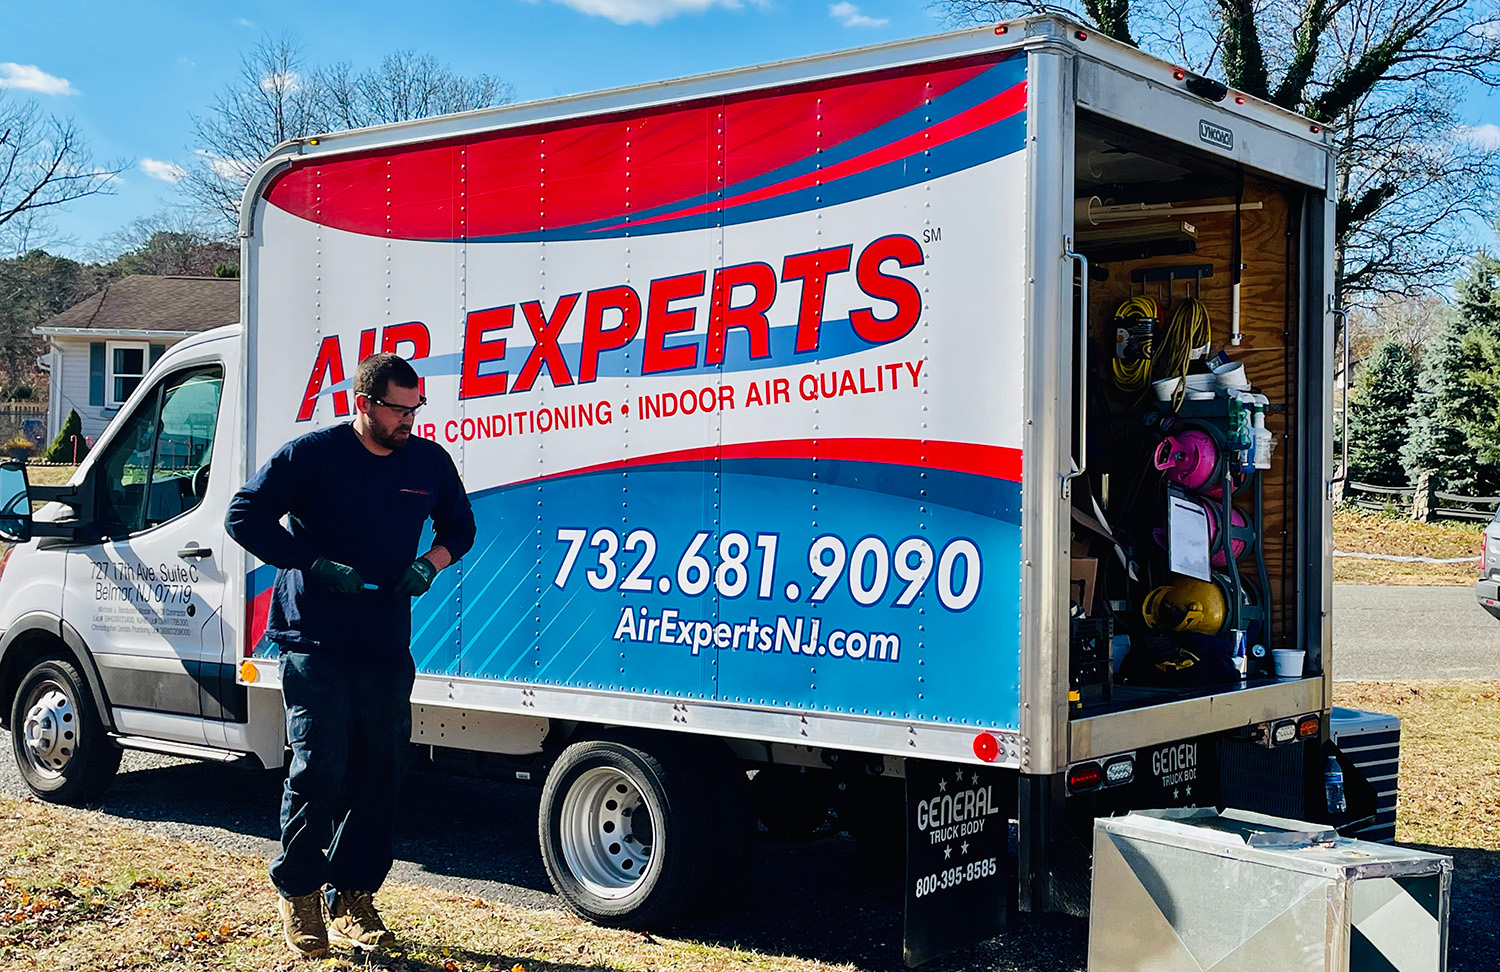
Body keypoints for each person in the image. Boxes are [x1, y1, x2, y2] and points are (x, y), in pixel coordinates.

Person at [226, 353, 475, 957]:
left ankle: (354, 896)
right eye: (398, 408)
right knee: (322, 767)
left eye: (416, 408)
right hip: (315, 641)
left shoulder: (428, 461)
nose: (409, 420)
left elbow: (460, 526)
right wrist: (310, 562)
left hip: (384, 642)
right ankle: (300, 893)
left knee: (383, 770)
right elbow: (244, 516)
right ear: (362, 402)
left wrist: (429, 565)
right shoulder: (313, 455)